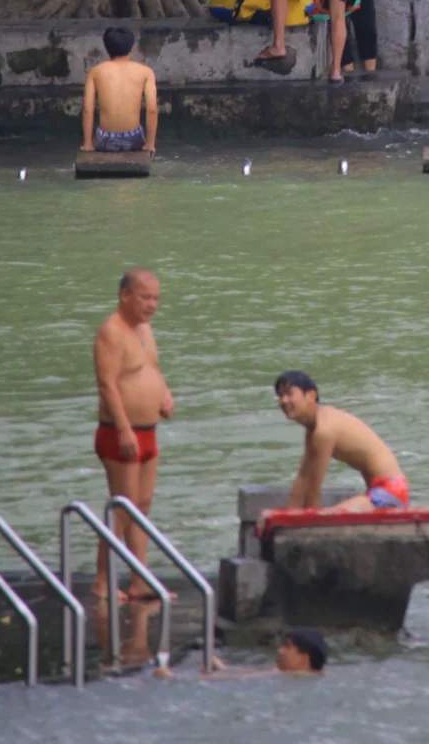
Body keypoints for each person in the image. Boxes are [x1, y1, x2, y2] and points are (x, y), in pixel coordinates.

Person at [92, 268, 173, 599]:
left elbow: (150, 368)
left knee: (142, 506)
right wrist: (124, 428)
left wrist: (165, 394)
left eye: (156, 298)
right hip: (119, 432)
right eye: (145, 297)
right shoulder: (112, 331)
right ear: (125, 295)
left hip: (148, 430)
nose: (151, 304)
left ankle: (140, 580)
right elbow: (107, 384)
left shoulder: (144, 328)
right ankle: (101, 582)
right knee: (123, 509)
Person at [275, 370, 410, 511]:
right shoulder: (314, 429)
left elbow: (313, 490)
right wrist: (290, 512)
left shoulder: (324, 430)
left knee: (330, 516)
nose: (284, 400)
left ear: (311, 396)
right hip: (377, 491)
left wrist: (306, 524)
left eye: (290, 394)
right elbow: (303, 477)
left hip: (391, 491)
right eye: (280, 395)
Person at [81, 27, 158, 155]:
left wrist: (88, 144)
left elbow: (87, 109)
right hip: (134, 138)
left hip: (105, 138)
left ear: (107, 49)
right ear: (131, 49)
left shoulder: (95, 72)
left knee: (98, 132)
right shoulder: (146, 72)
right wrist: (150, 144)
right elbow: (152, 109)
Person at [158, 627, 328, 679]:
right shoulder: (291, 674)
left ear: (304, 657)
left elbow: (242, 679)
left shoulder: (296, 676)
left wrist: (176, 678)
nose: (280, 650)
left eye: (287, 647)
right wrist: (224, 668)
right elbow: (254, 673)